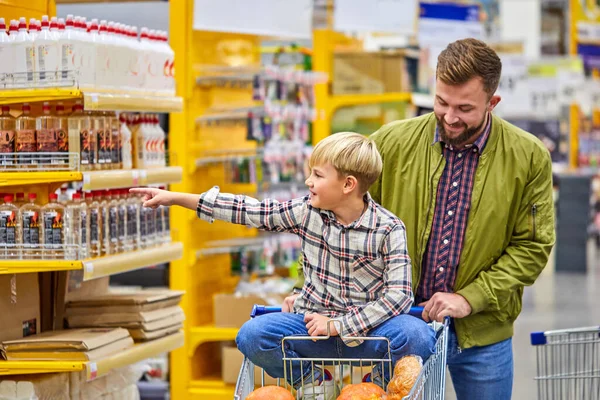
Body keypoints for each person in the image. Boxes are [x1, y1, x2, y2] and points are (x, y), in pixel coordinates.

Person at [290, 38, 556, 400]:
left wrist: (470, 297)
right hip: (395, 329)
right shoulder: (391, 144)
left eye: (465, 108)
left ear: (492, 102)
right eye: (441, 102)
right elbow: (337, 222)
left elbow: (532, 247)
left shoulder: (528, 157)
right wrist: (309, 293)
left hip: (482, 332)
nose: (449, 117)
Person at [131, 132, 436, 400]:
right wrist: (178, 198)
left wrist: (341, 325)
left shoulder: (388, 228)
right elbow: (253, 211)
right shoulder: (307, 212)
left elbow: (399, 296)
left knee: (418, 335)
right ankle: (314, 383)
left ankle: (374, 389)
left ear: (348, 184)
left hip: (369, 334)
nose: (308, 182)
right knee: (251, 335)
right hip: (311, 330)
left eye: (317, 175)